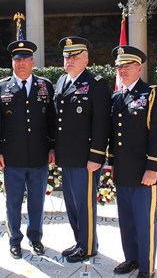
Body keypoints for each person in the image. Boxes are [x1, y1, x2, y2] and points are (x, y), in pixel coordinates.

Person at [0, 39, 55, 259]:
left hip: (39, 156)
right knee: (13, 202)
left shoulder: (45, 86)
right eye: (17, 59)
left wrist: (53, 147)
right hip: (12, 158)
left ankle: (35, 238)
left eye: (25, 59)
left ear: (33, 61)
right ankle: (14, 240)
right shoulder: (1, 87)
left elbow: (52, 121)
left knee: (37, 200)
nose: (21, 63)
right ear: (12, 62)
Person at [107, 45, 157, 278]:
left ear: (139, 68)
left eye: (127, 65)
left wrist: (153, 167)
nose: (122, 70)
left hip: (145, 172)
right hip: (123, 172)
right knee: (127, 221)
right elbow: (114, 136)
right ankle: (131, 259)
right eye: (119, 66)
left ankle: (147, 267)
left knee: (145, 223)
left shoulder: (151, 94)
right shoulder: (117, 97)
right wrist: (112, 164)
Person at [54, 36, 111, 263]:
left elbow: (101, 123)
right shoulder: (61, 81)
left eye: (75, 56)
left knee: (85, 204)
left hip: (85, 158)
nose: (70, 60)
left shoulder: (96, 84)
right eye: (67, 56)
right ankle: (80, 241)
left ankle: (88, 247)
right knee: (72, 204)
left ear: (85, 59)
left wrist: (96, 156)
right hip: (66, 156)